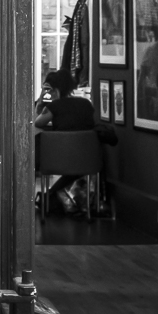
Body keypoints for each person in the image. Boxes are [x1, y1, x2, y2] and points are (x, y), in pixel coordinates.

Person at [34, 69, 114, 215]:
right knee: (75, 158)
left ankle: (47, 197)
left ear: (55, 90)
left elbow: (38, 122)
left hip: (58, 162)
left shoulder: (54, 106)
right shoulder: (86, 104)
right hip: (87, 161)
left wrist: (41, 101)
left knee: (39, 141)